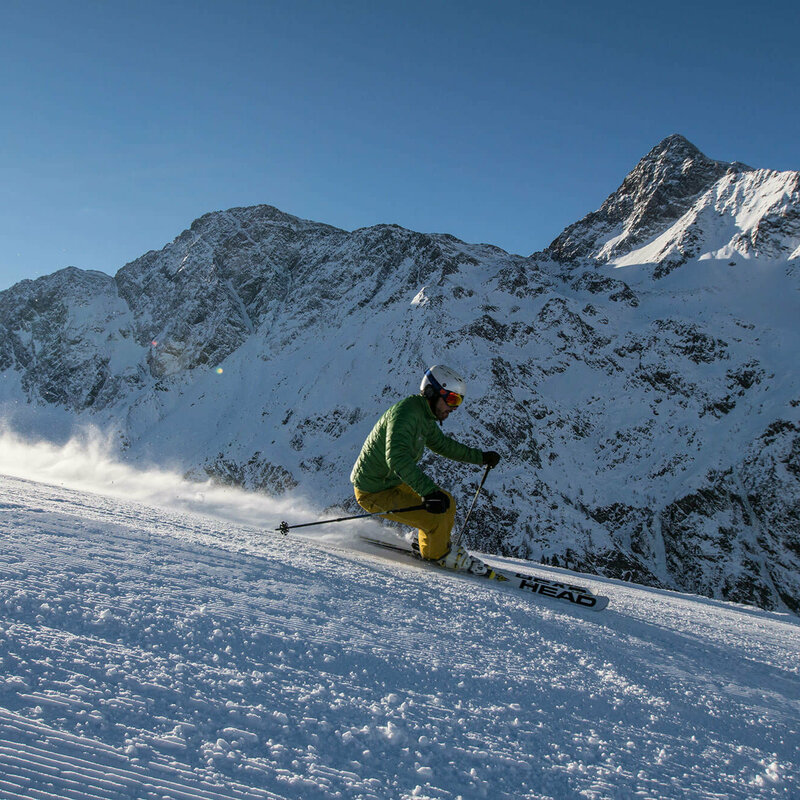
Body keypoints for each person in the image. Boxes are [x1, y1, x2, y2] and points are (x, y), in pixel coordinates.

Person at [350, 365, 501, 571]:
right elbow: (397, 457)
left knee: (446, 501)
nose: (454, 408)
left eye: (458, 401)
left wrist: (480, 457)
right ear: (432, 392)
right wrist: (428, 492)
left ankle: (434, 545)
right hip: (372, 491)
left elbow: (443, 445)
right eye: (451, 399)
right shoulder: (405, 415)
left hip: (390, 483)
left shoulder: (425, 415)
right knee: (435, 518)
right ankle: (437, 556)